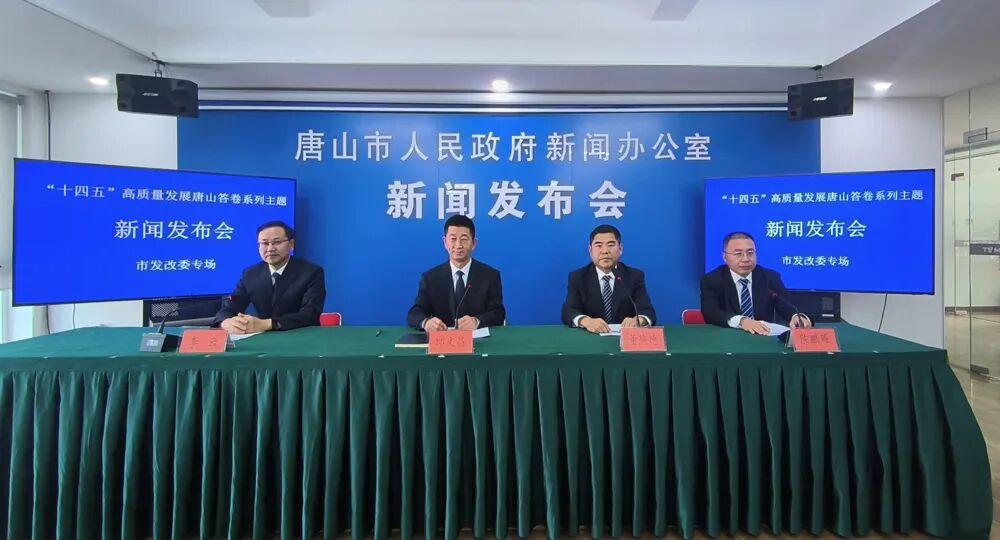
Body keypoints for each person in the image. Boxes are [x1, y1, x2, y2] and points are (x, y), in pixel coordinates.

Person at [213, 220, 326, 334]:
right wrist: (225, 322)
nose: (270, 248)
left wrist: (268, 324)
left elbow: (310, 315)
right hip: (264, 338)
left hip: (302, 336)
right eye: (265, 243)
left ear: (291, 244)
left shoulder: (311, 272)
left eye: (277, 242)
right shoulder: (250, 274)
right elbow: (230, 307)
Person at [406, 215, 506, 331]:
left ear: (473, 243)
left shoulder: (490, 276)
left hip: (478, 339)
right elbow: (415, 313)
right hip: (443, 339)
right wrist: (426, 323)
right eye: (453, 239)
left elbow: (498, 313)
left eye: (464, 239)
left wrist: (477, 321)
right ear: (445, 242)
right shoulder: (430, 278)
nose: (458, 245)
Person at [700, 231, 811, 334]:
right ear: (725, 257)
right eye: (738, 254)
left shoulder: (770, 277)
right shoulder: (712, 280)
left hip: (763, 337)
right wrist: (742, 321)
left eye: (750, 253)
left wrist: (795, 316)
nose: (745, 259)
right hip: (727, 338)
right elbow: (710, 312)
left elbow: (784, 304)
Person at [561, 224, 656, 333]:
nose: (605, 251)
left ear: (620, 249)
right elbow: (568, 311)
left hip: (624, 338)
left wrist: (639, 320)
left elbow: (648, 312)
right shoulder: (578, 277)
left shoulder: (634, 276)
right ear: (590, 250)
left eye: (611, 245)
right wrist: (586, 321)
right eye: (598, 245)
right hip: (590, 338)